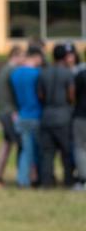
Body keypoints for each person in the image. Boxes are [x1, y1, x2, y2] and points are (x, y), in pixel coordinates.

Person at [37, 43, 77, 187]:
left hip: (47, 115)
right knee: (66, 152)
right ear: (65, 57)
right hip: (63, 116)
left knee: (47, 152)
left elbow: (40, 95)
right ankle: (68, 180)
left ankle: (47, 181)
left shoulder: (43, 73)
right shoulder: (67, 73)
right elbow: (71, 95)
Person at [11, 46, 44, 188]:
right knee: (37, 150)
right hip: (36, 115)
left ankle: (23, 179)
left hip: (22, 115)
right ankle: (36, 178)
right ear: (36, 57)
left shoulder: (15, 74)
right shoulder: (37, 73)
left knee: (25, 150)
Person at [0, 45, 23, 186]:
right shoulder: (13, 72)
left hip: (3, 112)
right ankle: (22, 176)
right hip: (11, 113)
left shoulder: (3, 70)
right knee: (21, 144)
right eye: (22, 57)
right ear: (15, 56)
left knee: (6, 145)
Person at [74, 46, 86, 190]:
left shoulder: (80, 73)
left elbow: (73, 94)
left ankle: (83, 180)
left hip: (81, 115)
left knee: (80, 148)